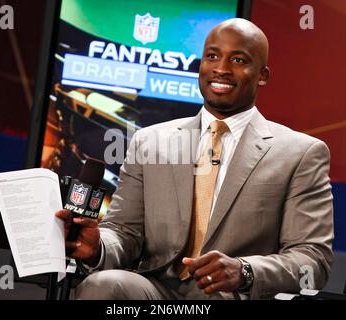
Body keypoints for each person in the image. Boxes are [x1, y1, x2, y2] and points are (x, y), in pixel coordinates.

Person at [56, 18, 333, 300]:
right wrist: (98, 246)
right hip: (155, 291)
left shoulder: (301, 153)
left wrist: (245, 271)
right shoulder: (150, 141)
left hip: (233, 296)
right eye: (212, 56)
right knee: (103, 285)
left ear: (262, 75)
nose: (221, 69)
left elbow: (313, 259)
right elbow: (124, 232)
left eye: (238, 60)